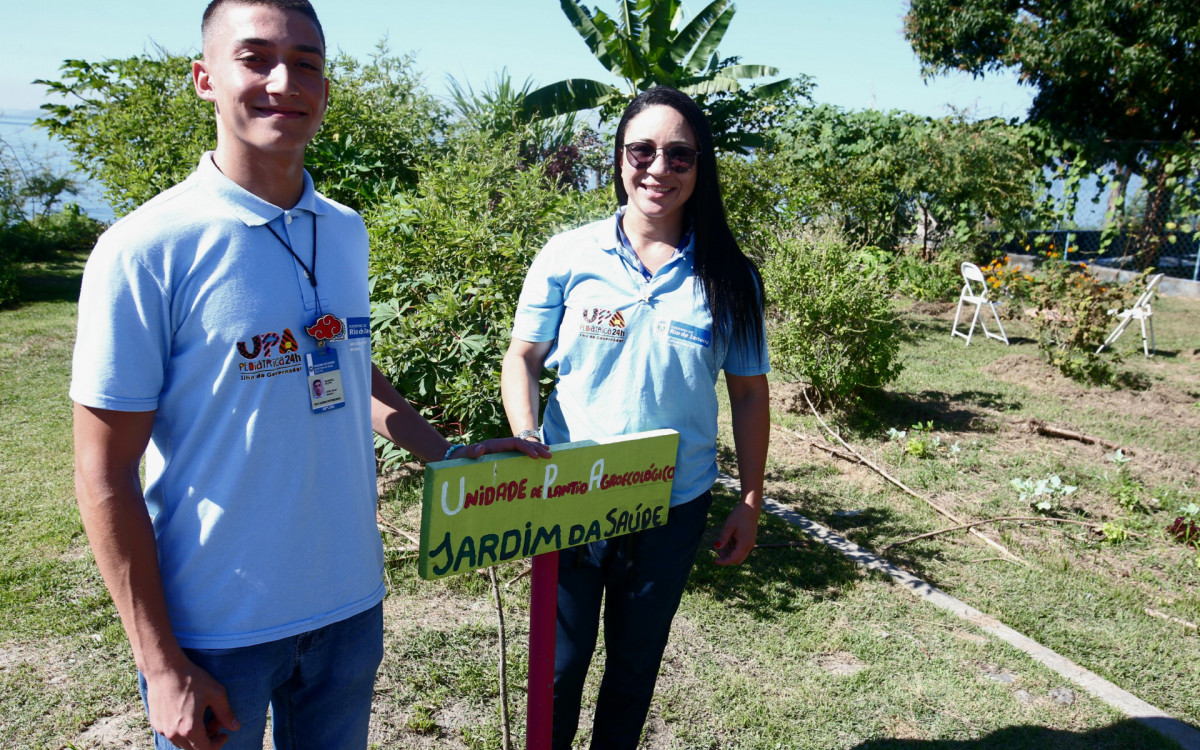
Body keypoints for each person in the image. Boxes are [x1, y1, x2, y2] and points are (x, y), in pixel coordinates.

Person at [69, 2, 548, 749]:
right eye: (255, 58)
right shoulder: (144, 249)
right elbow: (103, 472)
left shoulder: (343, 228)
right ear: (204, 78)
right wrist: (160, 665)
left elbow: (348, 362)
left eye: (308, 63)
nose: (284, 81)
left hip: (349, 609)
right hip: (216, 629)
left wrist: (444, 454)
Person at [500, 86, 770, 750]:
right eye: (642, 150)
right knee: (556, 672)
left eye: (679, 155)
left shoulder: (729, 275)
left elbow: (748, 395)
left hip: (671, 504)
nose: (659, 168)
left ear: (700, 167)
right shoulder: (569, 255)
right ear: (619, 158)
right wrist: (527, 434)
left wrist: (751, 499)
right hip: (569, 492)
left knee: (632, 670)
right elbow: (523, 357)